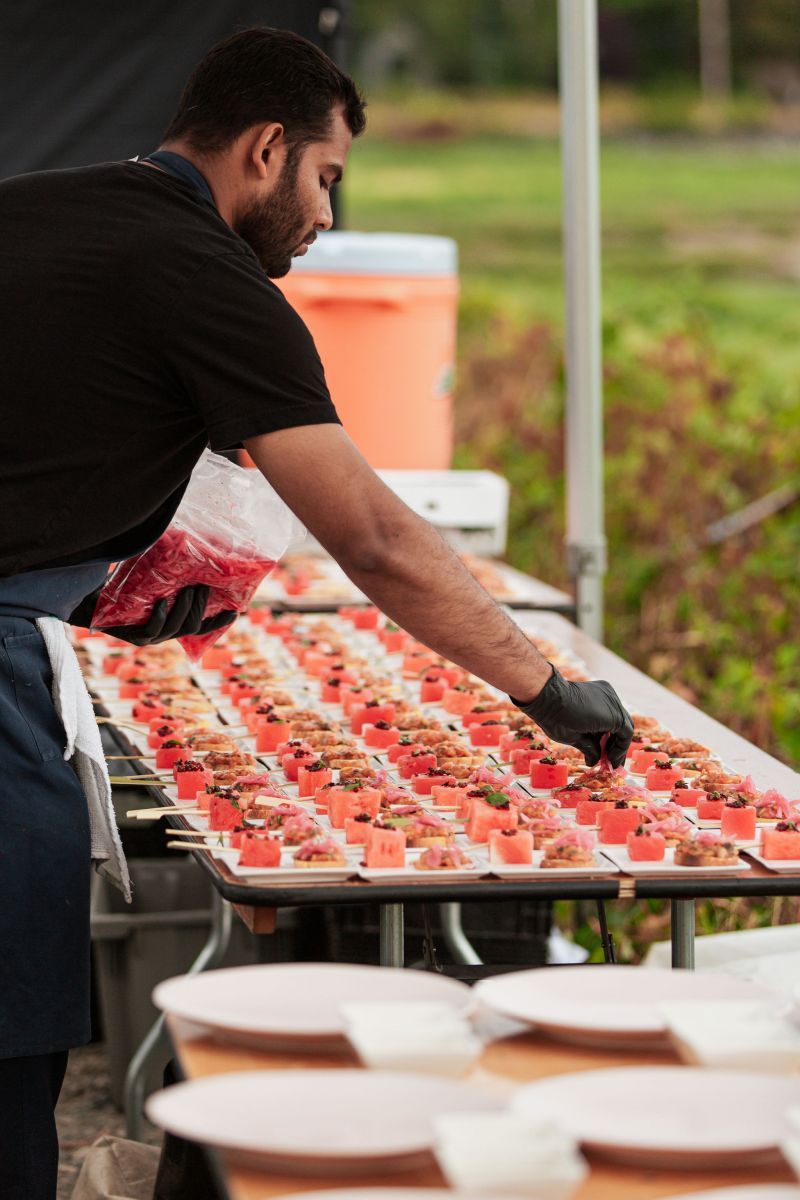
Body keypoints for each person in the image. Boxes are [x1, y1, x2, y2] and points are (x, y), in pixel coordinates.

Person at [0, 26, 632, 1197]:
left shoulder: (40, 207)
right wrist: (544, 687)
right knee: (5, 1057)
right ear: (265, 149)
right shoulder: (206, 275)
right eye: (326, 177)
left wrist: (89, 578)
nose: (326, 216)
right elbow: (375, 538)